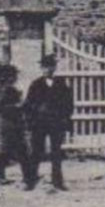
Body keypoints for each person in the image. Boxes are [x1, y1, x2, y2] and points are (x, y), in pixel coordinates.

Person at [22, 52, 73, 191]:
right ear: (41, 69)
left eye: (50, 66)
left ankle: (57, 182)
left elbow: (68, 103)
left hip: (56, 123)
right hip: (39, 124)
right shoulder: (36, 84)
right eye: (45, 67)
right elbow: (28, 104)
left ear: (55, 68)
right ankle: (30, 181)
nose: (47, 70)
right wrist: (33, 118)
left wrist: (65, 118)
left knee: (56, 153)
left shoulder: (61, 84)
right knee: (36, 152)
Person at [0, 77, 28, 187]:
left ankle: (27, 176)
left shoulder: (13, 90)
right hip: (9, 126)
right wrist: (16, 107)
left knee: (22, 151)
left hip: (16, 125)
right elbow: (0, 107)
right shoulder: (7, 90)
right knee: (6, 152)